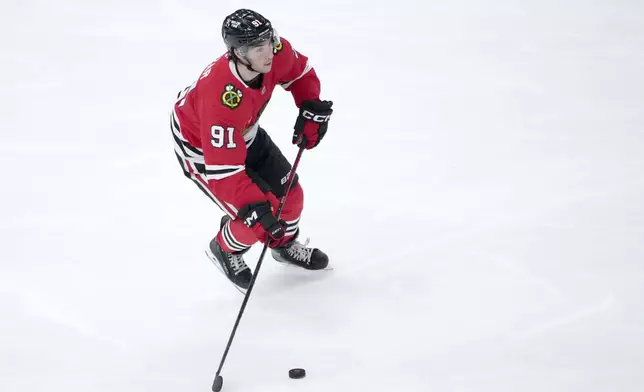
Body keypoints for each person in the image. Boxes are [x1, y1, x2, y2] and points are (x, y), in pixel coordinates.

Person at [170, 8, 333, 292]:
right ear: (238, 52)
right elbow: (225, 173)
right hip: (202, 149)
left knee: (291, 197)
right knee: (258, 215)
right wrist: (254, 210)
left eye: (268, 41)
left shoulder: (275, 51)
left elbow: (299, 72)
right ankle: (224, 248)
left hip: (245, 133)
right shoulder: (220, 98)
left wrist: (311, 106)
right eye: (258, 47)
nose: (269, 51)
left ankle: (282, 247)